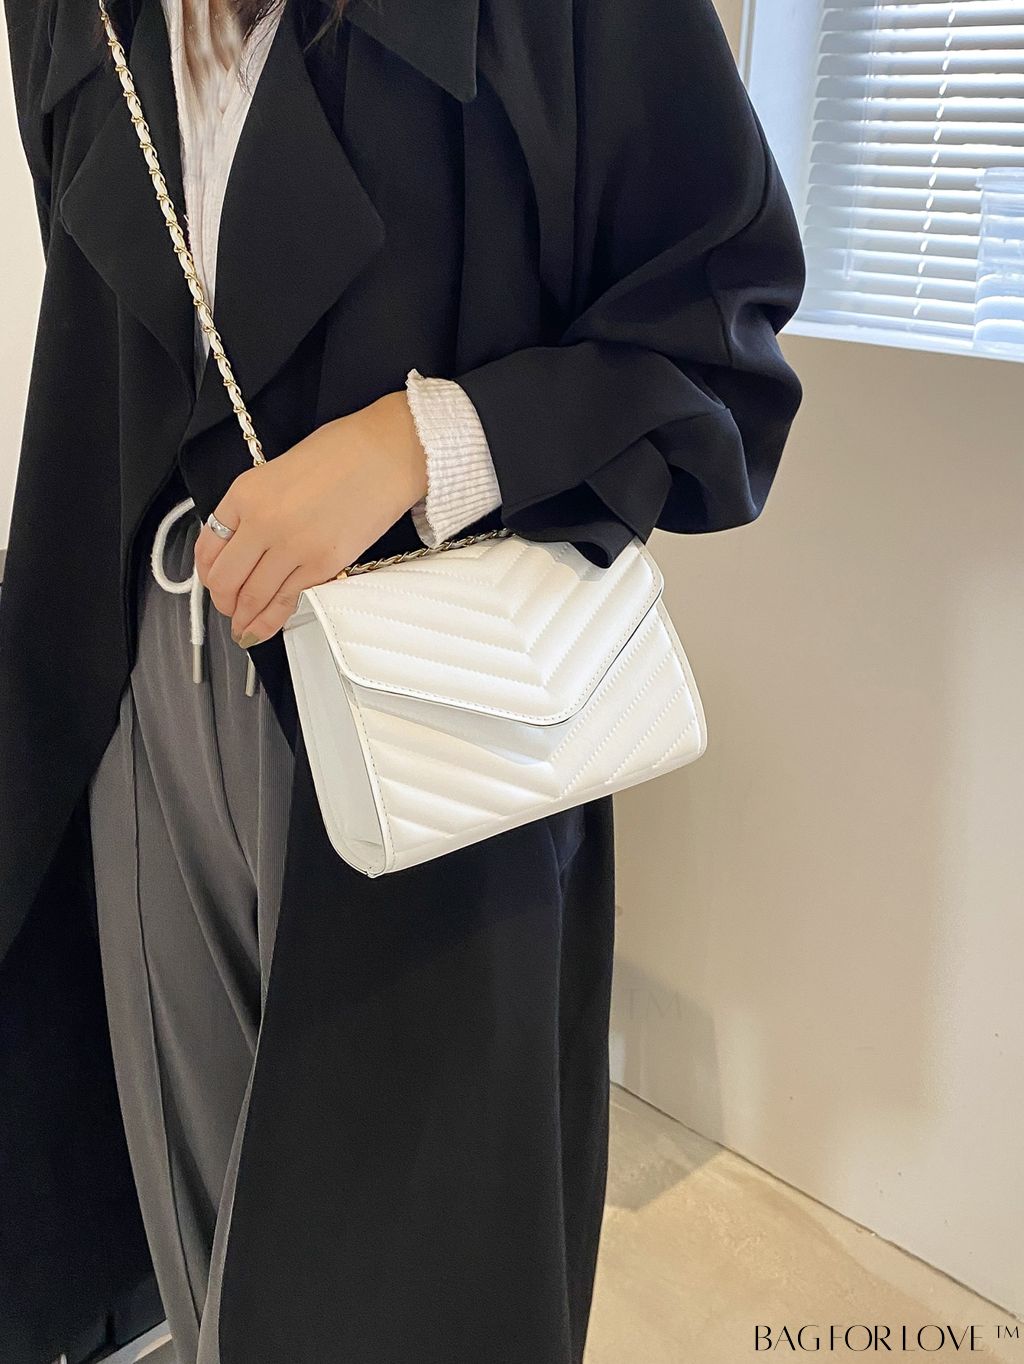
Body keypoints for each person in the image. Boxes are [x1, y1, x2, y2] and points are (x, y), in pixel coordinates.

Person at [0, 0, 806, 1361]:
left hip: (427, 701)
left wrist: (418, 444)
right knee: (192, 1219)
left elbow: (718, 334)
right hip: (139, 674)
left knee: (399, 1266)